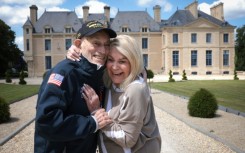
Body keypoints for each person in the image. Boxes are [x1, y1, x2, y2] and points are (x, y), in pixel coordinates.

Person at [68, 35, 161, 153]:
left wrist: (97, 114)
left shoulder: (135, 90)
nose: (114, 67)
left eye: (122, 61)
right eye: (110, 59)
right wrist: (76, 51)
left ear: (133, 62)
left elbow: (127, 139)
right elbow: (91, 63)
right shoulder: (110, 81)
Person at [34, 20, 117, 153]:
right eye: (96, 43)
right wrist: (92, 123)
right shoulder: (64, 72)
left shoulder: (100, 74)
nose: (103, 50)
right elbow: (46, 121)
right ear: (78, 44)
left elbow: (129, 59)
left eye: (107, 45)